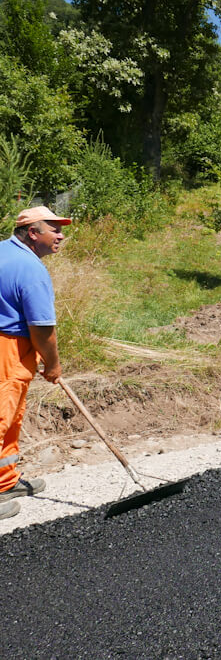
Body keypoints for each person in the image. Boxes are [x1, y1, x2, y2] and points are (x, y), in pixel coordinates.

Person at [0, 205, 71, 519]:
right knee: (2, 417)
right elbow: (42, 329)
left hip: (11, 345)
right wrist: (53, 365)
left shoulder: (3, 251)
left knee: (12, 418)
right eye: (54, 230)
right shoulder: (31, 270)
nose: (60, 236)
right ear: (32, 233)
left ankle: (5, 482)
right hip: (9, 350)